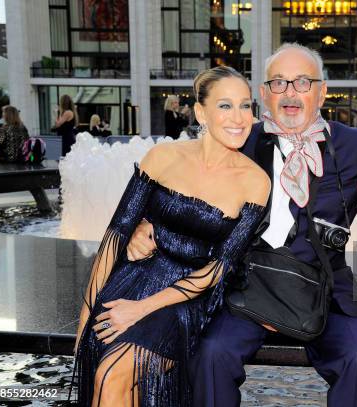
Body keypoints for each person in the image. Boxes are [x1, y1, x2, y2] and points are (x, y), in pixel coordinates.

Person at [127, 43, 357, 407]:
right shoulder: (240, 140)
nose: (290, 93)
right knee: (211, 351)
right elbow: (189, 183)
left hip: (325, 289)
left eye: (302, 83)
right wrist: (148, 224)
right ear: (264, 94)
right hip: (249, 285)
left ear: (322, 91)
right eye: (278, 83)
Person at [71, 66, 269, 407]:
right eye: (225, 106)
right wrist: (83, 324)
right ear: (200, 112)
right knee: (102, 367)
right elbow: (114, 238)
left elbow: (218, 270)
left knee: (112, 374)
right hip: (132, 279)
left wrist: (140, 310)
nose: (239, 117)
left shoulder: (255, 182)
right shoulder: (162, 157)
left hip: (185, 300)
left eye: (246, 106)